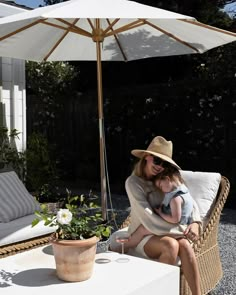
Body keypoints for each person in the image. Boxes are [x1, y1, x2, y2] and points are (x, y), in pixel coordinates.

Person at [110, 136, 201, 295]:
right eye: (157, 161)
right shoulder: (133, 183)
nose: (160, 167)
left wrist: (196, 223)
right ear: (146, 157)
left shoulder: (168, 178)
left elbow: (189, 201)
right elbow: (149, 218)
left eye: (165, 164)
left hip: (163, 230)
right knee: (171, 245)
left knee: (185, 245)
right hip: (143, 234)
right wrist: (182, 230)